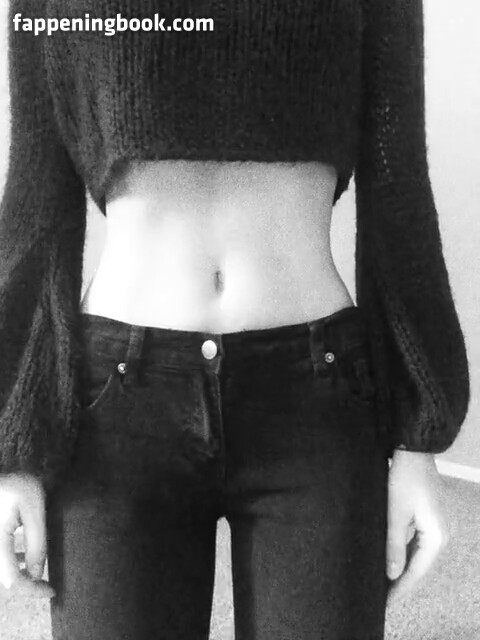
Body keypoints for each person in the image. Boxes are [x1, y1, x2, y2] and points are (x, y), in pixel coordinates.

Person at [0, 1, 470, 639]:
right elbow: (36, 194)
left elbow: (400, 189)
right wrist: (15, 450)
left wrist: (417, 441)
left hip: (315, 395)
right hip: (116, 407)